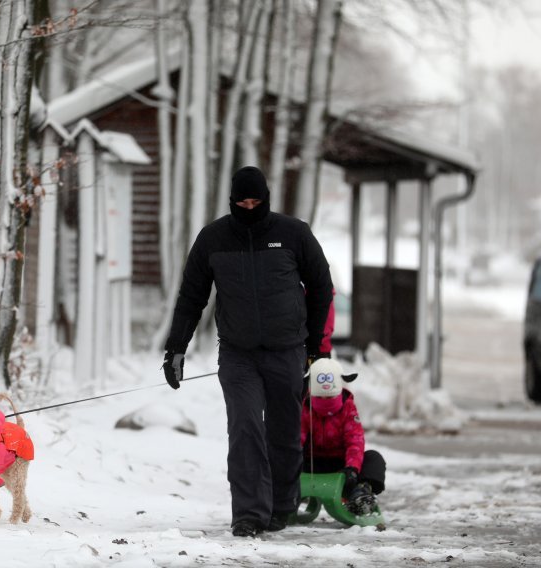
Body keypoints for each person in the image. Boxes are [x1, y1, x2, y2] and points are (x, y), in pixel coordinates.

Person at [162, 166, 334, 537]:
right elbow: (192, 297)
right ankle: (249, 513)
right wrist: (176, 348)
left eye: (256, 201)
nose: (250, 207)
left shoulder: (293, 234)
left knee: (284, 432)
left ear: (267, 199)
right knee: (244, 427)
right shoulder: (214, 238)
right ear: (232, 201)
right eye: (243, 201)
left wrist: (316, 347)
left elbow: (321, 287)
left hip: (287, 350)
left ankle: (282, 505)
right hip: (238, 354)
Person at [301, 358, 386, 515]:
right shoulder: (305, 408)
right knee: (281, 457)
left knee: (374, 459)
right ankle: (281, 495)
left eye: (329, 398)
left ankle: (360, 494)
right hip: (312, 465)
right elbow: (297, 438)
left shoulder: (348, 408)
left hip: (342, 466)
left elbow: (355, 440)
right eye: (320, 398)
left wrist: (352, 468)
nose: (325, 402)